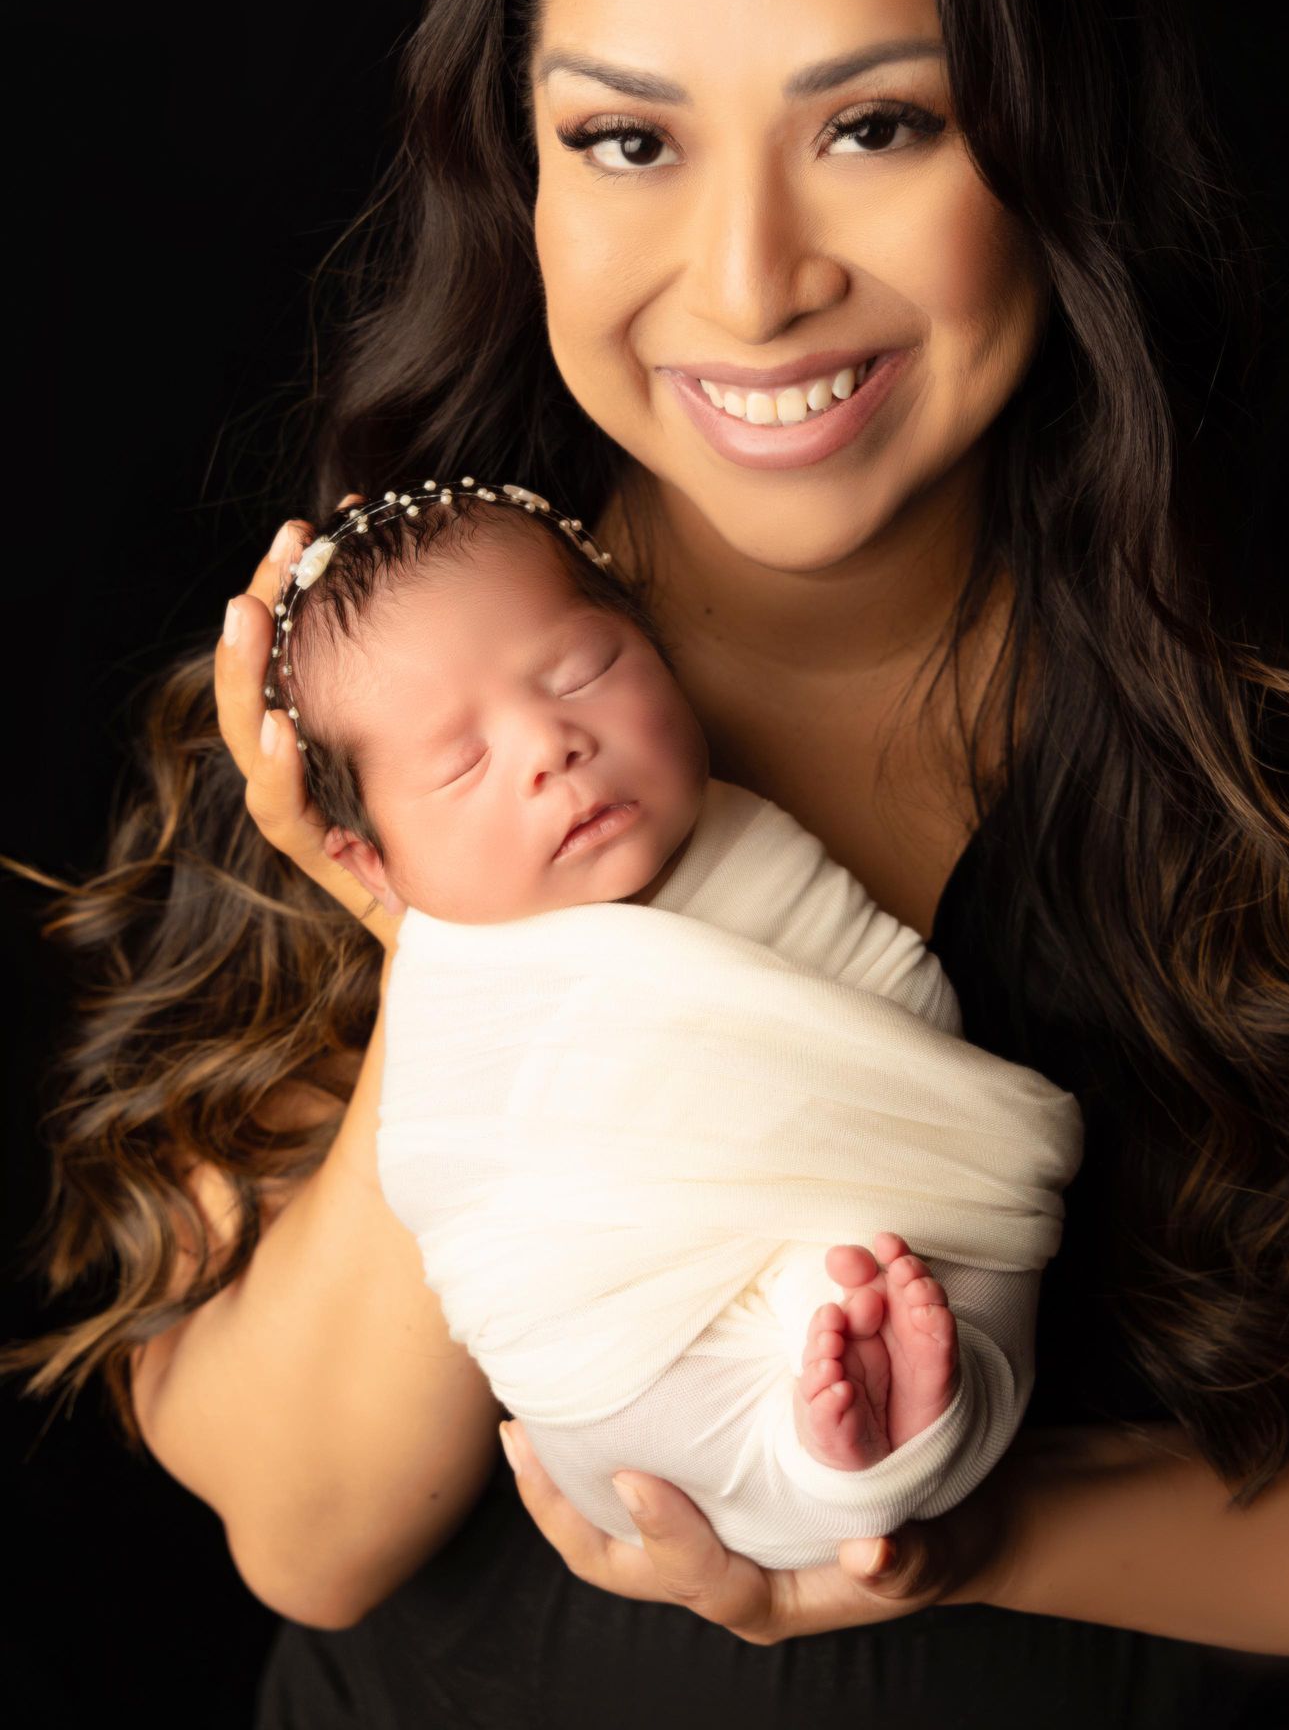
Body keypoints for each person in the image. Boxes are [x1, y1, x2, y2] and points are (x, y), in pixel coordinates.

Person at [7, 0, 1289, 1722]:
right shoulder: (384, 711)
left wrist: (965, 1539)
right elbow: (309, 1524)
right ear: (517, 172)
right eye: (627, 139)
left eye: (875, 125)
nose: (745, 281)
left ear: (1046, 136)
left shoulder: (1285, 759)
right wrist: (443, 940)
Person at [273, 481, 1081, 1569]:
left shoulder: (742, 833)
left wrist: (843, 1176)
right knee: (633, 1408)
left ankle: (887, 1430)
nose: (551, 745)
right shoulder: (460, 987)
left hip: (885, 1227)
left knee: (941, 1283)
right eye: (461, 763)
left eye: (582, 672)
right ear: (371, 862)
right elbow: (466, 1187)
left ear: (659, 650)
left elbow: (899, 1016)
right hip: (629, 1335)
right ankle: (831, 1442)